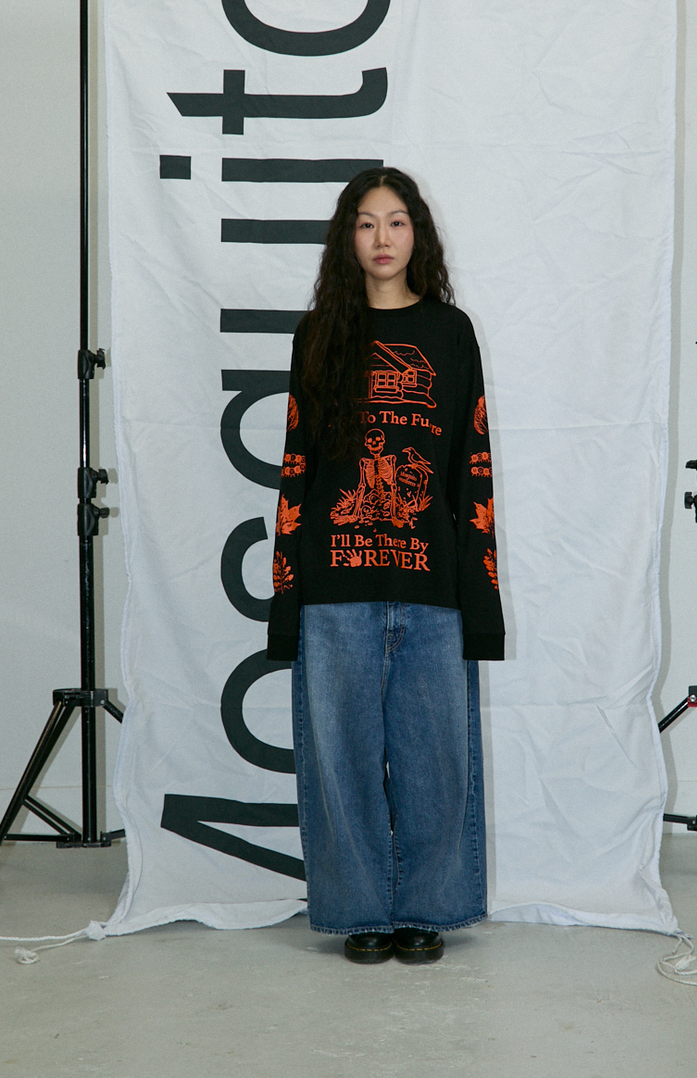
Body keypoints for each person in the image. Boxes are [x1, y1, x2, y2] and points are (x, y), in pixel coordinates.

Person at [267, 168, 505, 965]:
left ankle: (428, 909)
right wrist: (286, 598)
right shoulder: (318, 334)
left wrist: (480, 599)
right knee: (339, 760)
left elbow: (471, 467)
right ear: (347, 238)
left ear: (417, 235)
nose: (381, 238)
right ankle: (359, 909)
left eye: (396, 222)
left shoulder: (450, 332)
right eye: (366, 223)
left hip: (431, 583)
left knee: (437, 758)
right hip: (334, 586)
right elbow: (297, 468)